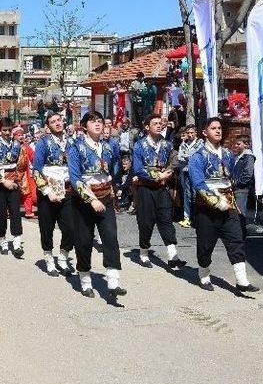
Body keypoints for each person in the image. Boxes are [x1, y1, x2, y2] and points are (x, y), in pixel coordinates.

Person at [188, 117, 259, 293]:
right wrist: (216, 200)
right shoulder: (197, 157)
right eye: (213, 128)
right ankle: (204, 274)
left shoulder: (228, 154)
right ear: (204, 132)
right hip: (207, 208)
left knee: (236, 240)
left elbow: (231, 180)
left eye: (219, 128)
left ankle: (242, 280)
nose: (218, 131)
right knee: (205, 246)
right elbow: (198, 184)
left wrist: (233, 200)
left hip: (228, 206)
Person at [67, 111, 126, 298]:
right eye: (93, 122)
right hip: (84, 200)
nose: (98, 125)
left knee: (110, 236)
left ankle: (113, 280)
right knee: (83, 241)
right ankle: (85, 279)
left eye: (100, 121)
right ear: (84, 126)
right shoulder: (76, 147)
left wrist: (114, 185)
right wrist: (91, 199)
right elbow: (75, 177)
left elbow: (116, 166)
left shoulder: (110, 147)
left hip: (106, 197)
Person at [132, 115, 185, 269]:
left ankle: (172, 255)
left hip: (162, 188)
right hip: (145, 188)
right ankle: (143, 252)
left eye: (160, 124)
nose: (159, 126)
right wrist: (156, 176)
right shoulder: (139, 145)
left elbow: (175, 161)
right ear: (147, 127)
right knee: (146, 221)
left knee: (166, 219)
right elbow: (138, 168)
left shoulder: (167, 145)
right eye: (154, 123)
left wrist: (168, 171)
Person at [32, 112, 74, 277]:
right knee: (47, 227)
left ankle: (63, 258)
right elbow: (36, 170)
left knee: (70, 228)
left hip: (68, 191)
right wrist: (48, 191)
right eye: (52, 122)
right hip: (48, 191)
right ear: (48, 126)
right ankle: (49, 259)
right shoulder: (43, 143)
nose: (57, 123)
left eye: (58, 120)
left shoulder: (72, 142)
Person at [0, 117, 25, 258]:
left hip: (13, 183)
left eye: (9, 130)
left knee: (15, 212)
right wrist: (2, 180)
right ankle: (3, 240)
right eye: (4, 130)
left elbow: (21, 163)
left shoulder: (17, 144)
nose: (7, 133)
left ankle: (17, 242)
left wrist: (18, 177)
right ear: (0, 130)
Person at [176, 124, 203, 228]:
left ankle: (197, 218)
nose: (190, 135)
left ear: (196, 133)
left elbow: (197, 157)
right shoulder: (183, 144)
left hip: (195, 173)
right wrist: (188, 157)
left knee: (196, 195)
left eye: (192, 133)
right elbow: (180, 157)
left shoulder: (200, 143)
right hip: (185, 172)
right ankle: (187, 218)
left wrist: (187, 157)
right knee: (187, 195)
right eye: (188, 133)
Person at [231, 135, 255, 240]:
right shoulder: (239, 156)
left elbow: (248, 174)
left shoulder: (248, 156)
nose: (236, 145)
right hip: (236, 188)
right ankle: (237, 234)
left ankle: (240, 236)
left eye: (238, 144)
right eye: (236, 143)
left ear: (246, 144)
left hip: (241, 189)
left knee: (240, 213)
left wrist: (236, 183)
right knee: (236, 213)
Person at [14, 126, 37, 219]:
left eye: (21, 135)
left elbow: (33, 157)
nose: (21, 137)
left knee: (27, 192)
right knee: (13, 193)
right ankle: (9, 211)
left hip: (24, 173)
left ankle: (28, 211)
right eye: (18, 135)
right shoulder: (11, 146)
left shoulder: (26, 146)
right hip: (12, 173)